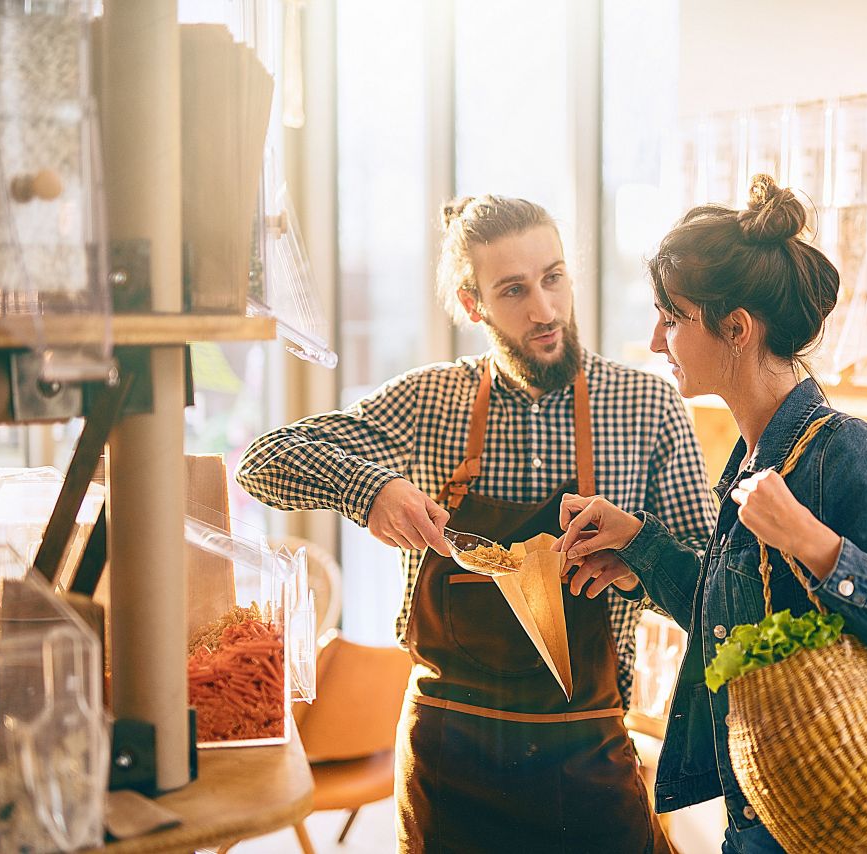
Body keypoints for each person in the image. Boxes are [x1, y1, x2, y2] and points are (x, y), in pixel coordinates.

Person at [236, 194, 716, 853]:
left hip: (587, 759)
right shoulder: (429, 400)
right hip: (448, 766)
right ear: (474, 305)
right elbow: (262, 462)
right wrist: (371, 487)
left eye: (553, 278)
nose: (544, 311)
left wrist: (641, 555)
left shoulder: (646, 405)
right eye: (514, 290)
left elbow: (710, 583)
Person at [553, 174, 867, 854]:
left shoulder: (844, 453)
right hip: (763, 820)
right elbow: (743, 621)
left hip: (832, 833)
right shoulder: (753, 458)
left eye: (672, 319)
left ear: (736, 329)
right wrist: (642, 548)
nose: (654, 341)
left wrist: (819, 548)